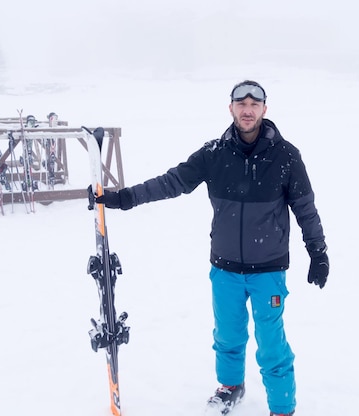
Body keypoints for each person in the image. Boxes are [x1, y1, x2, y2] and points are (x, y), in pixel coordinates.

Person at [96, 80, 329, 416]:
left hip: (268, 269)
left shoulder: (286, 156)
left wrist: (318, 252)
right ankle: (231, 386)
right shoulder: (213, 154)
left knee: (271, 344)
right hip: (225, 268)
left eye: (254, 104)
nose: (247, 110)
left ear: (265, 109)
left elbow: (305, 207)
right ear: (231, 108)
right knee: (228, 335)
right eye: (241, 103)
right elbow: (171, 182)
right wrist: (125, 198)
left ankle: (281, 407)